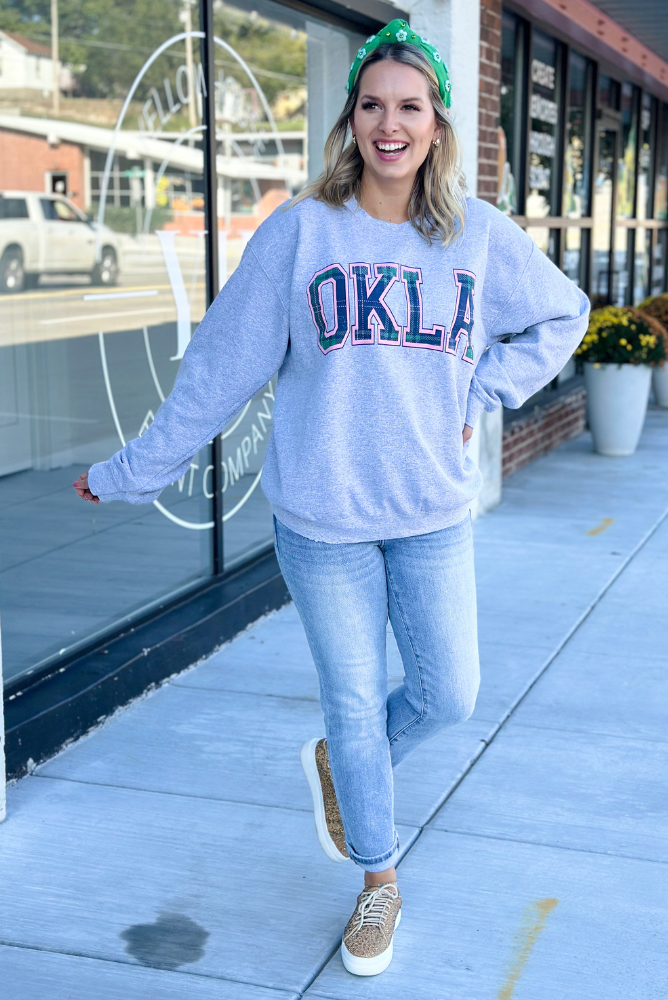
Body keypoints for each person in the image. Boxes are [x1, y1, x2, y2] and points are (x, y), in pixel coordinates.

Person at [74, 19, 589, 978]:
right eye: (372, 105)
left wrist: (482, 390)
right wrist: (134, 470)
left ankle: (345, 771)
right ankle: (378, 880)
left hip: (430, 514)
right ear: (350, 120)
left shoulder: (477, 237)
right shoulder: (300, 233)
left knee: (448, 695)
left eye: (410, 107)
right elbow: (220, 370)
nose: (390, 125)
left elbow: (566, 314)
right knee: (353, 702)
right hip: (323, 522)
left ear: (437, 124)